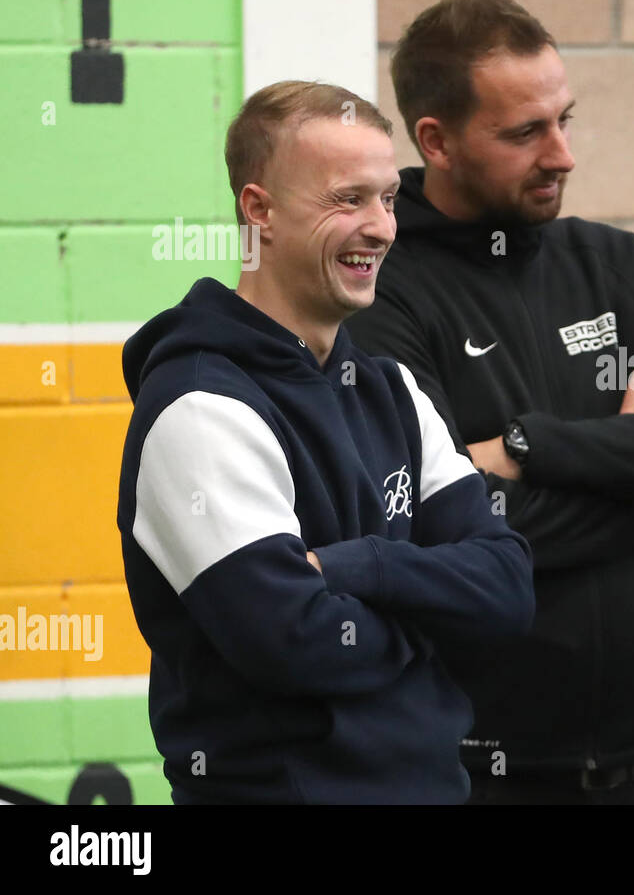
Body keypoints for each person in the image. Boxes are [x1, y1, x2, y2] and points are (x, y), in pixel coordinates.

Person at [347, 0, 634, 804]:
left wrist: (531, 448)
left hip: (633, 763)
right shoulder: (383, 289)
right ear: (438, 140)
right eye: (525, 132)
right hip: (468, 775)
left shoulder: (614, 265)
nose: (563, 153)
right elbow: (434, 531)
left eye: (564, 119)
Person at [117, 80, 534, 804]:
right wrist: (438, 618)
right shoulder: (199, 405)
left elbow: (508, 590)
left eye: (388, 198)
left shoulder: (394, 391)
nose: (379, 227)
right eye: (348, 199)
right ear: (260, 211)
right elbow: (296, 641)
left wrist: (362, 566)